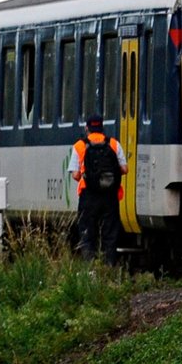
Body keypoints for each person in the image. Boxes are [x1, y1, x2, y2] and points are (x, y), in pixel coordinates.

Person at [68, 114, 128, 265]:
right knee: (110, 234)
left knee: (87, 233)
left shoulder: (79, 146)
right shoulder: (113, 144)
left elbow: (75, 174)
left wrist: (89, 175)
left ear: (87, 128)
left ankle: (91, 268)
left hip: (88, 197)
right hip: (110, 197)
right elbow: (125, 169)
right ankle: (109, 266)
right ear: (102, 127)